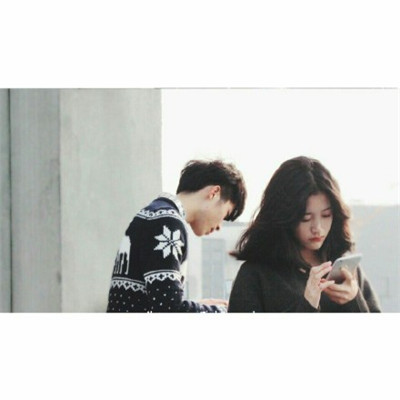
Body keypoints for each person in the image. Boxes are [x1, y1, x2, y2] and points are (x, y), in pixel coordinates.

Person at [228, 156, 381, 312]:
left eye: (326, 215)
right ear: (283, 217)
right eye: (305, 218)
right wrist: (308, 305)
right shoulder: (256, 275)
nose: (317, 228)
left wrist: (354, 299)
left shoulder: (345, 270)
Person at [107, 159, 247, 312]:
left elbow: (159, 301)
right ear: (214, 193)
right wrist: (222, 311)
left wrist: (199, 305)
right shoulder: (167, 222)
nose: (220, 225)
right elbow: (170, 310)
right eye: (225, 214)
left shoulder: (154, 214)